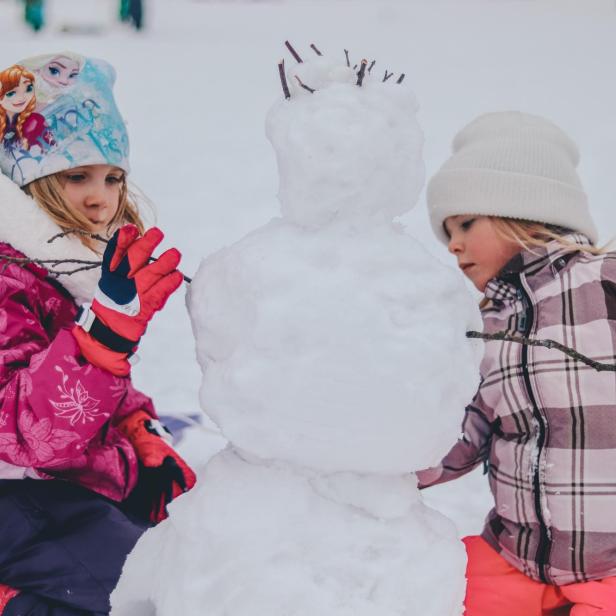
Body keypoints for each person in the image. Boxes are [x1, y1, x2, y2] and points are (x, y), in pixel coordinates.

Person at [0, 51, 196, 616]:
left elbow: (97, 387)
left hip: (58, 486)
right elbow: (23, 434)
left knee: (193, 555)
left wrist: (137, 429)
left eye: (113, 177)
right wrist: (103, 340)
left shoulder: (60, 268)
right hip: (15, 495)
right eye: (75, 175)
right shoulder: (7, 279)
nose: (99, 196)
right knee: (149, 595)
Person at [421, 111, 616, 615]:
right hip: (515, 556)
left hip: (614, 565)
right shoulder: (484, 328)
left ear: (523, 210)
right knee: (425, 589)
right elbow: (464, 437)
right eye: (446, 235)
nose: (454, 245)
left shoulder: (605, 283)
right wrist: (387, 456)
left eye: (465, 223)